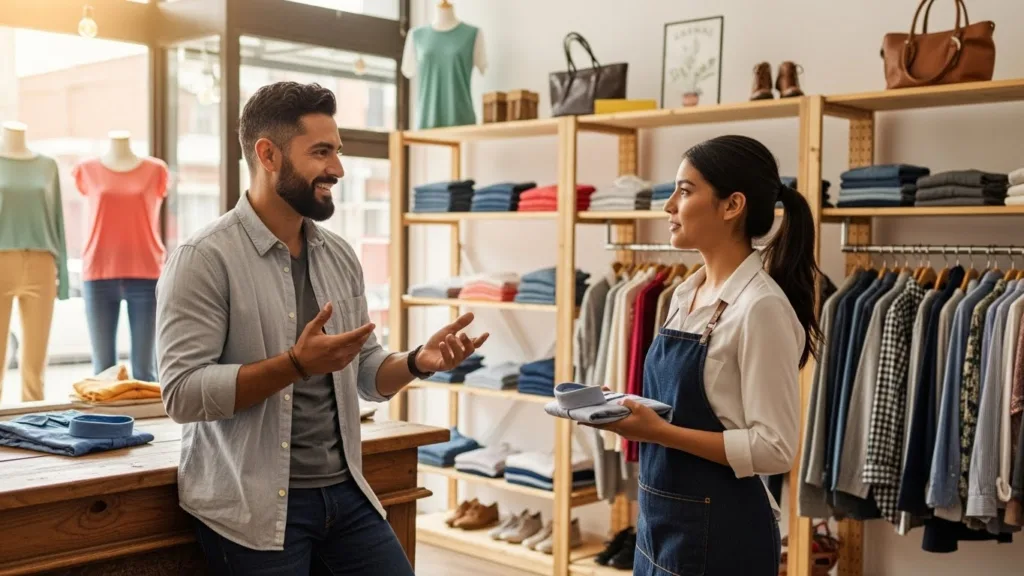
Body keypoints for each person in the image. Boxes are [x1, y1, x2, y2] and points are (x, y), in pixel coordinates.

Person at [156, 81, 488, 575]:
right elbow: (181, 394)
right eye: (321, 151)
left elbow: (364, 371)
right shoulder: (203, 259)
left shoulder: (339, 256)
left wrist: (418, 362)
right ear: (268, 155)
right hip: (253, 509)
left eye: (336, 151)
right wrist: (294, 365)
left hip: (346, 494)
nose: (338, 168)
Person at [590, 135, 820, 575]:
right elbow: (685, 410)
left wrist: (660, 433)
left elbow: (774, 449)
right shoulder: (685, 292)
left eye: (685, 190)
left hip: (725, 538)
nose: (668, 206)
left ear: (732, 205)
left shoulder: (761, 307)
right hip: (660, 524)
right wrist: (624, 407)